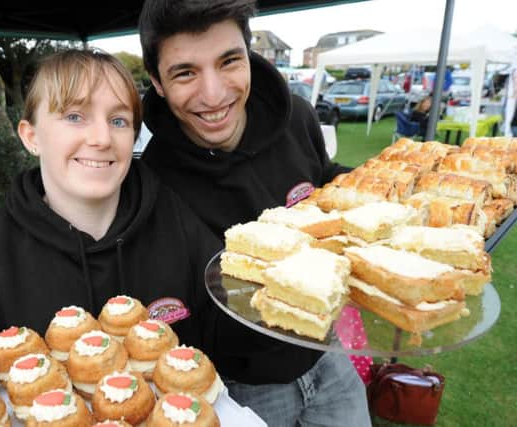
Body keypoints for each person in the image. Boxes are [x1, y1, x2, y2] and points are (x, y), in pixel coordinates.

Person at [0, 49, 223, 384]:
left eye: (118, 121)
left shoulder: (172, 217)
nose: (102, 139)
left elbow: (225, 326)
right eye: (75, 116)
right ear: (31, 137)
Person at [138, 1, 370, 426]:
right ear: (156, 81)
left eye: (229, 61)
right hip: (241, 387)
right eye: (185, 72)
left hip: (328, 357)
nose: (213, 94)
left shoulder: (298, 118)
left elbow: (323, 187)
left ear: (249, 54)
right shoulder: (152, 181)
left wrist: (367, 195)